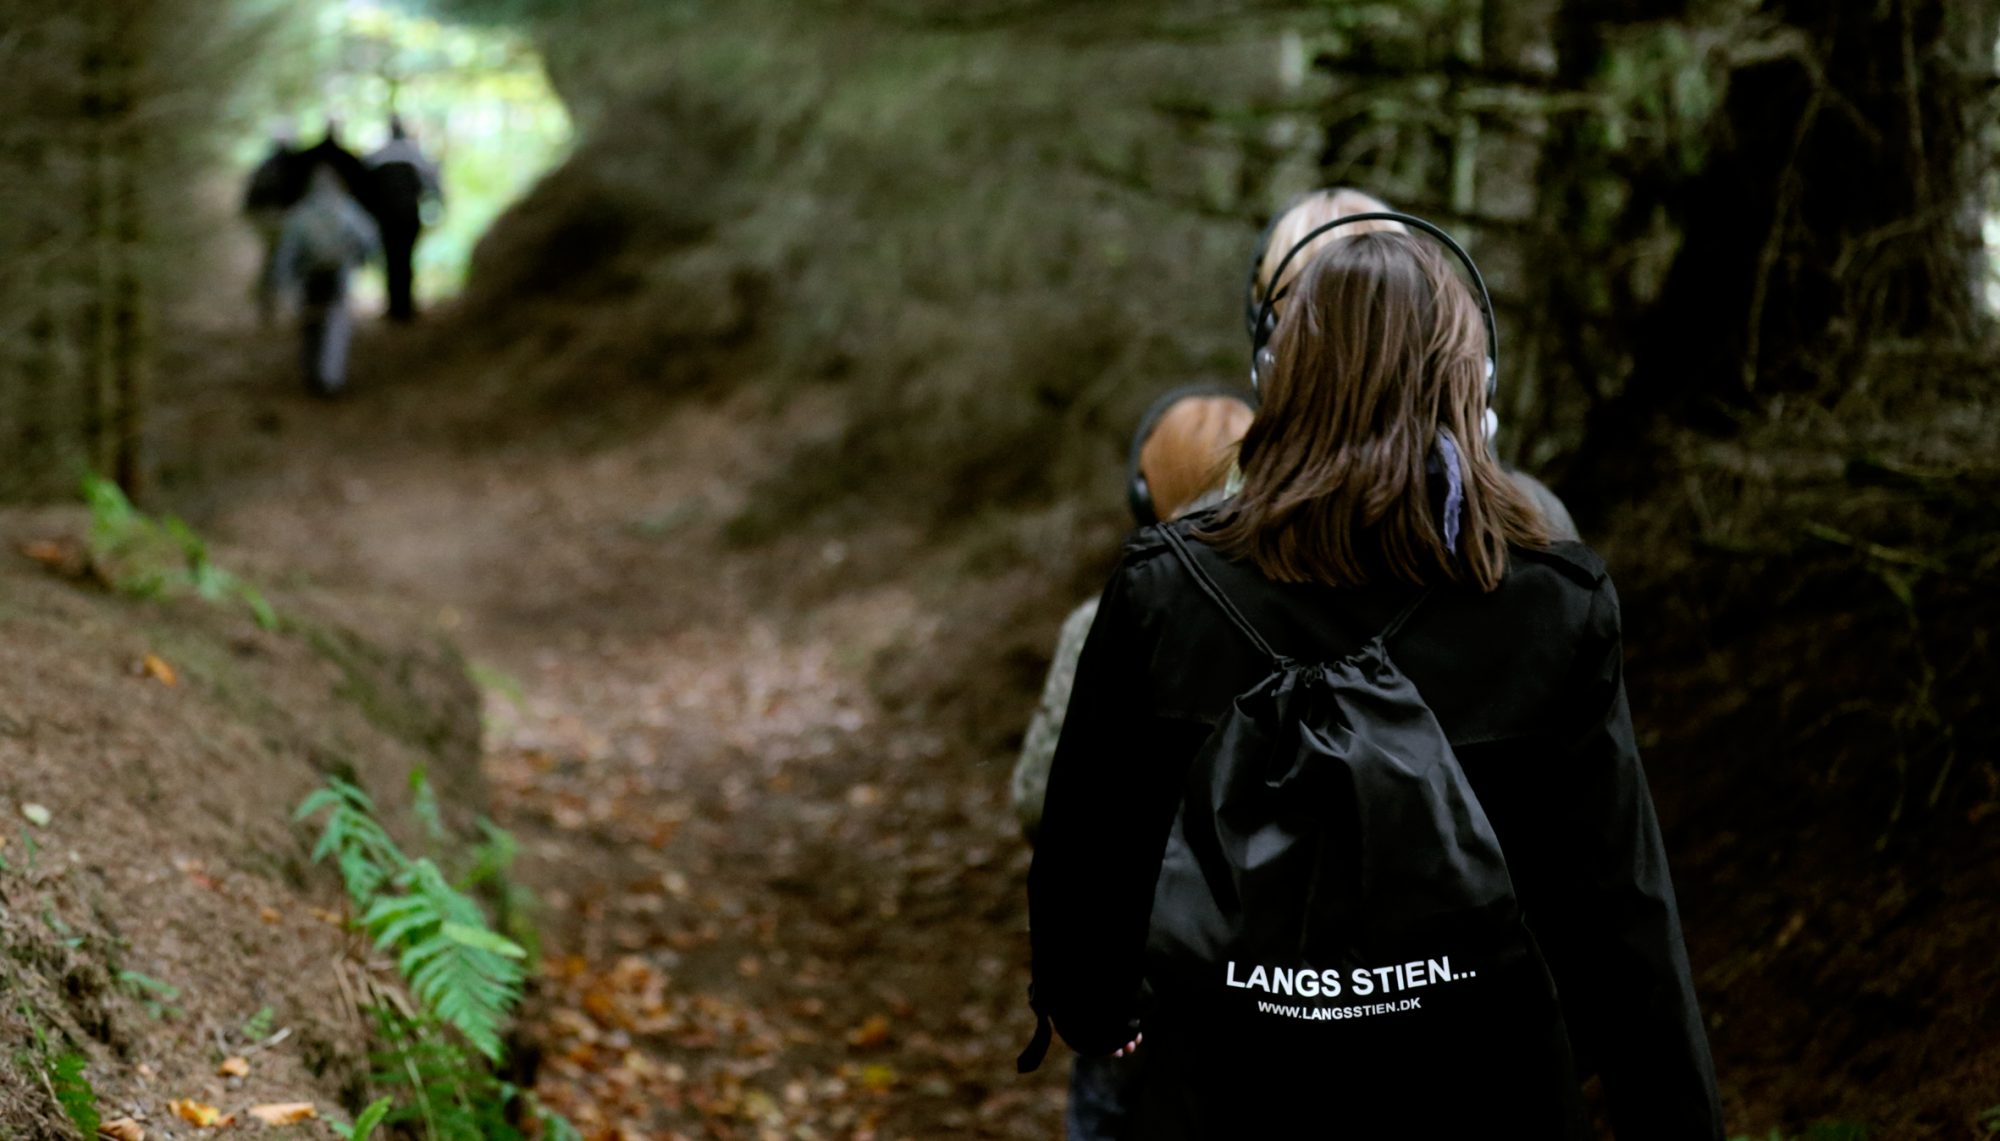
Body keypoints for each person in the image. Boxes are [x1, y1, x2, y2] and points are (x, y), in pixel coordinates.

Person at [1026, 231, 1721, 1137]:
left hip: (1226, 1091)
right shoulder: (1552, 603)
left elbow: (1089, 839)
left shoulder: (1164, 590)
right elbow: (1621, 903)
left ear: (1281, 383)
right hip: (1488, 1092)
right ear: (1474, 391)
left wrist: (1096, 1007)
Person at [1011, 384, 1255, 1141]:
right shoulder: (1305, 608)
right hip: (1275, 979)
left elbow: (1036, 798)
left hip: (1140, 974)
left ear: (1142, 491)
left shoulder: (1112, 615)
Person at [1250, 189, 1580, 541]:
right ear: (1271, 357)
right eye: (1323, 311)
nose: (1360, 347)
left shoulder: (1536, 518)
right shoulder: (1537, 520)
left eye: (1385, 302)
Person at [275, 164, 379, 397]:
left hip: (310, 277)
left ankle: (313, 373)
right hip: (337, 274)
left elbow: (287, 252)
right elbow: (369, 238)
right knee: (336, 325)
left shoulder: (300, 214)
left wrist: (284, 281)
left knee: (311, 324)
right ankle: (331, 378)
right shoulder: (347, 209)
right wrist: (363, 261)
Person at [366, 115, 443, 322]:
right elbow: (433, 183)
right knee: (405, 259)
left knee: (392, 260)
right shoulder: (415, 155)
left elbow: (365, 186)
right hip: (409, 216)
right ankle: (405, 307)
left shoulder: (378, 156)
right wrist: (438, 207)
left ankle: (395, 307)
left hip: (386, 218)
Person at [242, 124, 308, 326]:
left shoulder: (265, 164)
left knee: (272, 262)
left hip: (268, 220)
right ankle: (290, 308)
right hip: (285, 220)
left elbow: (249, 199)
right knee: (293, 262)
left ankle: (269, 307)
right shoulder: (297, 166)